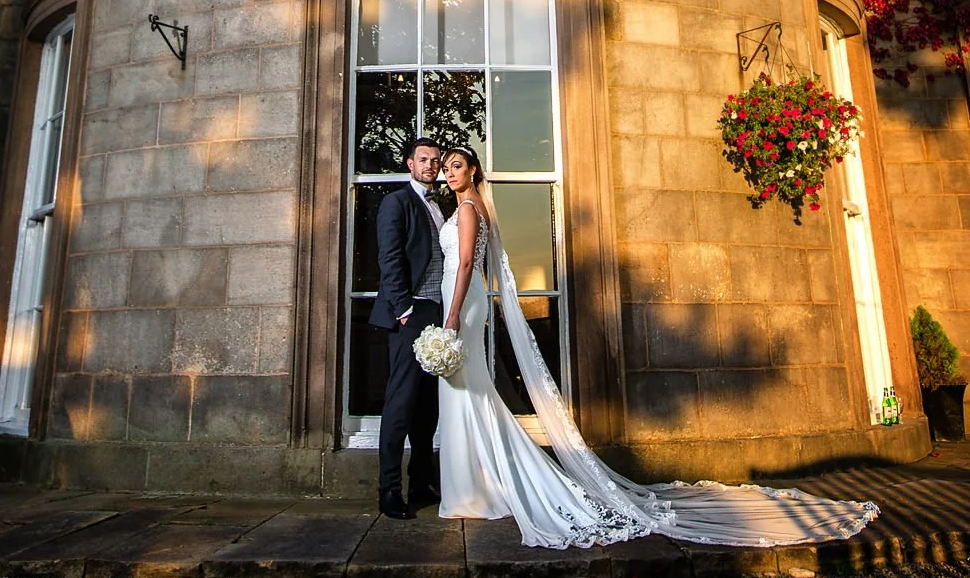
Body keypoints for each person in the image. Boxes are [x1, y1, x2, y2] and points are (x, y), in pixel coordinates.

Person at [436, 143, 881, 550]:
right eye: (447, 167)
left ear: (474, 171)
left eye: (458, 166)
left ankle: (478, 488)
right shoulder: (465, 208)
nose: (450, 173)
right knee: (469, 392)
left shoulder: (472, 208)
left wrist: (454, 313)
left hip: (462, 300)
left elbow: (467, 265)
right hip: (463, 299)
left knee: (464, 390)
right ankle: (480, 484)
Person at [369, 136, 444, 519]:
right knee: (400, 403)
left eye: (435, 160)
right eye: (423, 160)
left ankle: (420, 482)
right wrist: (402, 310)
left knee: (427, 405)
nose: (430, 165)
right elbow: (390, 257)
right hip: (410, 315)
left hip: (438, 312)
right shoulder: (396, 202)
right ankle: (389, 490)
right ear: (410, 164)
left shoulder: (440, 205)